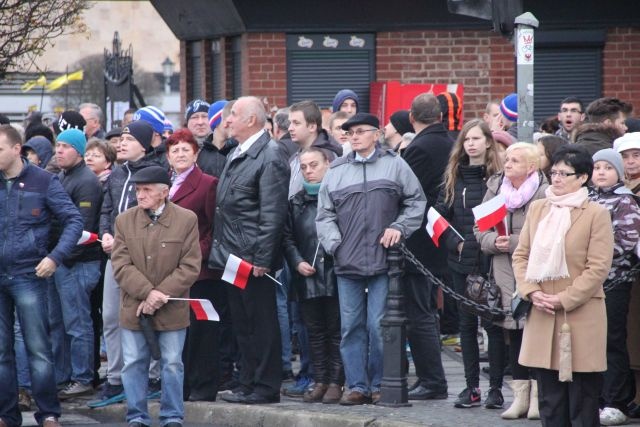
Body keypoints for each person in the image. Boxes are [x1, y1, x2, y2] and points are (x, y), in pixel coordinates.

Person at [316, 112, 426, 405]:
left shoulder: (395, 165)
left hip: (383, 261)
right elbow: (324, 215)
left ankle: (380, 383)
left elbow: (416, 202)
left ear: (376, 134)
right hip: (346, 260)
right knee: (351, 327)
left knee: (379, 327)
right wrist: (334, 244)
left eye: (361, 131)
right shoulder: (337, 170)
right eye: (350, 132)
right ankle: (357, 386)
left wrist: (399, 227)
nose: (354, 136)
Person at [513, 145, 614, 426]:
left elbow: (598, 267)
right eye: (553, 172)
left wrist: (565, 299)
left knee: (582, 398)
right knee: (550, 399)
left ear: (583, 177)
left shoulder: (596, 213)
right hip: (542, 311)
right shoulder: (538, 208)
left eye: (564, 173)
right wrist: (531, 292)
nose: (556, 179)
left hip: (580, 316)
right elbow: (521, 255)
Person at [0, 125, 83, 427]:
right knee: (1, 351)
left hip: (28, 273)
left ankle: (48, 413)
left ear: (16, 148)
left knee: (38, 348)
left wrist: (54, 257)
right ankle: (6, 415)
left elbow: (73, 220)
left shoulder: (44, 181)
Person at [209, 96, 290, 405]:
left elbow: (273, 213)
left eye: (233, 115)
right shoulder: (238, 152)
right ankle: (247, 381)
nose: (226, 121)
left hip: (252, 258)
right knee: (242, 323)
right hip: (232, 255)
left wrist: (262, 259)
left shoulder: (269, 155)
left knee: (261, 322)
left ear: (252, 120)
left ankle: (266, 386)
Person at [111, 166, 201, 427]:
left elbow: (190, 266)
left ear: (164, 192)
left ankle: (172, 416)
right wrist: (148, 293)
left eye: (147, 190)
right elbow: (121, 265)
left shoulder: (186, 220)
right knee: (133, 364)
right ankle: (136, 416)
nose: (140, 195)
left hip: (171, 307)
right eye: (138, 190)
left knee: (172, 364)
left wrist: (161, 293)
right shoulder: (124, 220)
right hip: (134, 306)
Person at [474, 142, 549, 420]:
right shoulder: (496, 187)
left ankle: (539, 398)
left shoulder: (544, 191)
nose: (507, 165)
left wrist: (514, 242)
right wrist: (493, 241)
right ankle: (520, 397)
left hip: (535, 268)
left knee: (535, 331)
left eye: (515, 161)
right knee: (514, 331)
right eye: (507, 160)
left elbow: (548, 232)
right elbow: (479, 226)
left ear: (531, 166)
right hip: (502, 268)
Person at [434, 118, 505, 409]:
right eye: (467, 139)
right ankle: (470, 386)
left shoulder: (499, 178)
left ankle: (497, 388)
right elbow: (438, 217)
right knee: (466, 325)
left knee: (493, 326)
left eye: (476, 138)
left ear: (489, 142)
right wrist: (457, 244)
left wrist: (483, 245)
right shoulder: (453, 177)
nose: (471, 144)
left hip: (491, 261)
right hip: (460, 261)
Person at [92, 120, 163, 407]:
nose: (121, 143)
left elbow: (157, 213)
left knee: (146, 316)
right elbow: (106, 210)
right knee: (111, 316)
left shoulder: (158, 172)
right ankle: (115, 376)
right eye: (121, 139)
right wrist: (106, 233)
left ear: (144, 145)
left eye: (129, 139)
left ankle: (152, 375)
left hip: (145, 257)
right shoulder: (117, 174)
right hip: (115, 255)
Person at [283, 147, 344, 404]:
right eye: (304, 166)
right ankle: (320, 379)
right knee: (314, 331)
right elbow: (286, 238)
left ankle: (336, 381)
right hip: (306, 275)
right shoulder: (295, 202)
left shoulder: (339, 197)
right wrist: (297, 262)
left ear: (328, 164)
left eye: (314, 165)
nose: (309, 171)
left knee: (336, 330)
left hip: (334, 273)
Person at [401, 93, 451, 401]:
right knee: (426, 312)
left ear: (411, 117)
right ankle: (432, 379)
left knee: (418, 313)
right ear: (441, 116)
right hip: (436, 241)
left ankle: (432, 380)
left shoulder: (419, 148)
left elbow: (408, 193)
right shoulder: (449, 142)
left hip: (419, 243)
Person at [165, 129, 221, 401]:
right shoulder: (164, 185)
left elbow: (213, 228)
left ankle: (204, 385)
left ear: (196, 153)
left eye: (185, 149)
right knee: (179, 331)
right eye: (174, 150)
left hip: (201, 272)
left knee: (203, 331)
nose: (180, 154)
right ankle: (182, 386)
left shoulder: (208, 183)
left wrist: (193, 255)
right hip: (171, 273)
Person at [588, 149, 640, 426]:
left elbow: (626, 240)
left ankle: (616, 400)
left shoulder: (626, 202)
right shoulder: (587, 199)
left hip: (613, 280)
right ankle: (595, 396)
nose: (601, 172)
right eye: (597, 167)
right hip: (587, 282)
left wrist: (593, 259)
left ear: (619, 173)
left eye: (608, 168)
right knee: (592, 342)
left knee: (611, 340)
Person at [51, 129, 104, 399]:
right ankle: (63, 376)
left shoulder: (86, 182)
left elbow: (82, 228)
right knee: (59, 323)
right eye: (57, 146)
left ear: (79, 151)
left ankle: (82, 377)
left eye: (65, 146)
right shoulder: (63, 176)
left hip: (78, 264)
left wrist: (59, 258)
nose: (59, 151)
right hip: (62, 262)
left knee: (78, 323)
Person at [616, 133, 640, 419]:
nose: (631, 161)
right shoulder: (619, 189)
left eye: (636, 155)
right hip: (624, 275)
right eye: (626, 156)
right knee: (627, 336)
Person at [288, 100, 342, 198]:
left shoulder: (328, 156)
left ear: (312, 127)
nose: (290, 128)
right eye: (290, 123)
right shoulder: (295, 156)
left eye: (296, 123)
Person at [197, 100, 237, 178]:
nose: (232, 122)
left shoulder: (239, 150)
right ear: (217, 122)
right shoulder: (200, 153)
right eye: (228, 117)